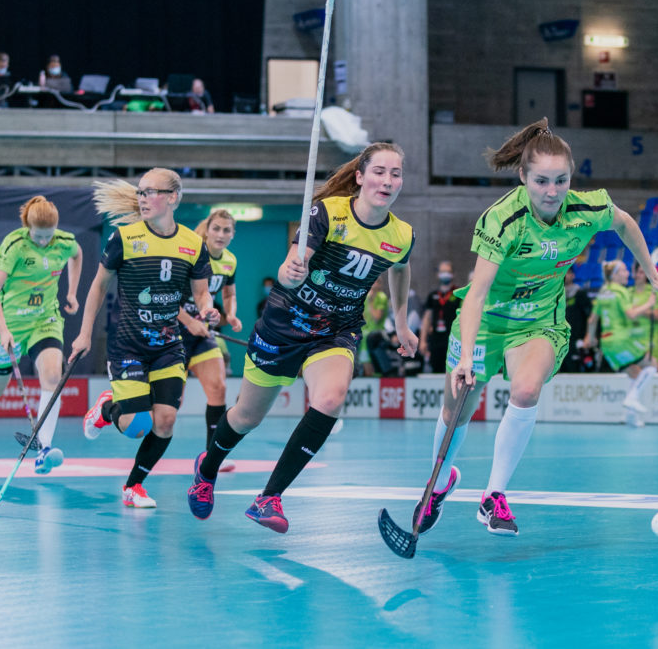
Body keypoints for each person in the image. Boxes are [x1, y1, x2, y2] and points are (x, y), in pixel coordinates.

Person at [409, 119, 658, 537]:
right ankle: (438, 485)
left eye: (562, 180)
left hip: (540, 321)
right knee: (457, 409)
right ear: (523, 177)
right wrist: (467, 355)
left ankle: (494, 497)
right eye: (541, 181)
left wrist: (653, 275)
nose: (552, 191)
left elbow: (625, 223)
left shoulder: (586, 208)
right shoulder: (502, 220)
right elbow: (477, 294)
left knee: (526, 389)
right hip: (488, 321)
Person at [186, 142, 416, 531]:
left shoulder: (402, 234)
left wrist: (401, 319)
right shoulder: (326, 213)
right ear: (360, 177)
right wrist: (291, 271)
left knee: (330, 397)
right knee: (245, 417)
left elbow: (400, 268)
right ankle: (206, 470)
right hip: (285, 325)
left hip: (336, 331)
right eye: (379, 171)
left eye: (395, 174)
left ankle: (269, 498)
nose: (387, 180)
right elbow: (291, 265)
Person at [74, 170, 216, 507]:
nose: (141, 199)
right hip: (129, 345)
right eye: (139, 192)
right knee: (138, 425)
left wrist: (207, 310)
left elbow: (201, 294)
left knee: (165, 422)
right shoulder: (124, 238)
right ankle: (107, 409)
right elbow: (98, 285)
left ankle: (133, 487)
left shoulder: (193, 244)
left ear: (172, 197)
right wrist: (83, 334)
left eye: (149, 192)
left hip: (169, 346)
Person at [0, 197, 82, 475]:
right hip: (10, 324)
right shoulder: (14, 246)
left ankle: (44, 449)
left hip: (44, 320)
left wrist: (71, 292)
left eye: (48, 236)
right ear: (27, 227)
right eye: (38, 236)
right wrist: (3, 329)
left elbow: (77, 254)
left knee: (52, 376)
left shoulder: (63, 241)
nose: (43, 241)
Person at [176, 209, 242, 472]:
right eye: (217, 229)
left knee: (218, 388)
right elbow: (167, 296)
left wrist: (232, 315)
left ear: (232, 235)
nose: (221, 234)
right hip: (175, 332)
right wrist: (189, 322)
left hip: (202, 333)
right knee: (171, 404)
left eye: (227, 230)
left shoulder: (230, 261)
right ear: (208, 229)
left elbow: (228, 294)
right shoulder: (191, 253)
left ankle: (211, 458)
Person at [585, 261, 658, 427]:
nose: (628, 274)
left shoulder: (603, 291)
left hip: (606, 343)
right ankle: (631, 398)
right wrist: (649, 304)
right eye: (624, 270)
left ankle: (630, 416)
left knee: (634, 373)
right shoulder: (621, 291)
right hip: (621, 339)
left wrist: (590, 339)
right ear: (615, 274)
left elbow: (591, 320)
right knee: (652, 364)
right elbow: (631, 314)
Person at [420, 260, 460, 374]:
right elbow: (427, 318)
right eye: (442, 272)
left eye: (448, 272)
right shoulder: (433, 295)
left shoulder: (458, 294)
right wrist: (423, 341)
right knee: (436, 369)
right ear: (438, 274)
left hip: (453, 338)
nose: (445, 274)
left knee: (452, 370)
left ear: (453, 274)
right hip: (436, 339)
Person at [561, 267, 594, 373]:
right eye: (563, 272)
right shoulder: (555, 296)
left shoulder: (580, 294)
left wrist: (588, 336)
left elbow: (590, 316)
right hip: (560, 340)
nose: (565, 275)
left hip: (577, 341)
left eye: (568, 272)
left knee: (575, 371)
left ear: (573, 275)